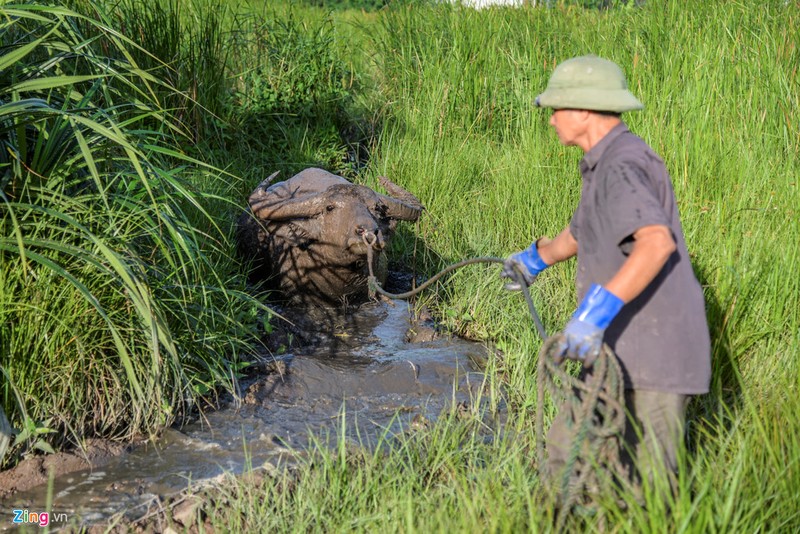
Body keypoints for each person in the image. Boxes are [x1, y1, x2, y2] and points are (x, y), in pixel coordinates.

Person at [501, 55, 711, 496]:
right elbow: (577, 235)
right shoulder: (602, 164)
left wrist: (594, 313)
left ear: (582, 111)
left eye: (556, 109)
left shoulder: (622, 164)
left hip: (653, 355)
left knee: (646, 488)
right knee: (565, 460)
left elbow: (656, 243)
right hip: (613, 350)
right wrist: (533, 260)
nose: (552, 119)